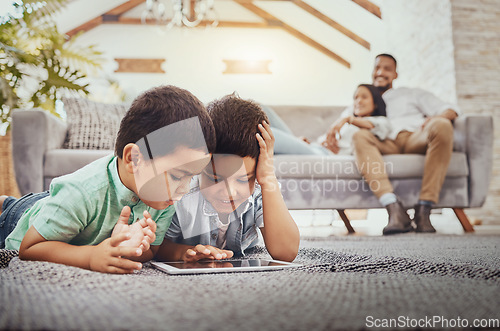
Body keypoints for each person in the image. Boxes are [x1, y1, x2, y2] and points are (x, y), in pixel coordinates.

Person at [0, 85, 216, 273]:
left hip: (72, 218)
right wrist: (91, 257)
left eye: (191, 178)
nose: (184, 189)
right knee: (18, 208)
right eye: (178, 176)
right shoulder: (81, 191)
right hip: (23, 220)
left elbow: (153, 251)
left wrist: (141, 249)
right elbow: (29, 249)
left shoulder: (163, 199)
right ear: (134, 159)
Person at [155, 94, 300, 263]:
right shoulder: (181, 195)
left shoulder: (260, 190)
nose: (229, 192)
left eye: (243, 180)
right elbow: (158, 246)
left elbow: (286, 252)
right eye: (215, 179)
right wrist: (183, 252)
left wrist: (268, 178)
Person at [326, 54, 460, 235]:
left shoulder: (410, 93)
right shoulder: (362, 100)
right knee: (359, 136)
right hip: (383, 143)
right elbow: (336, 132)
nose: (381, 72)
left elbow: (450, 109)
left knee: (443, 124)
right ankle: (394, 209)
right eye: (377, 68)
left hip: (413, 138)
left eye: (387, 69)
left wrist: (436, 118)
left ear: (395, 74)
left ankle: (425, 209)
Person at [265, 84, 390, 156]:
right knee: (263, 109)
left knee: (268, 133)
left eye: (364, 97)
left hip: (324, 155)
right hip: (314, 147)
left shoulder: (381, 122)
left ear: (375, 104)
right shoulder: (348, 123)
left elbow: (376, 127)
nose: (358, 101)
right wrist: (304, 143)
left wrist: (347, 119)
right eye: (356, 97)